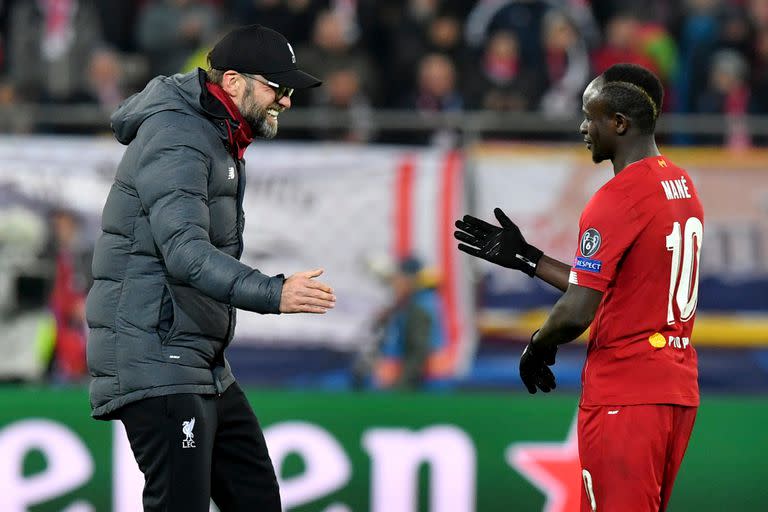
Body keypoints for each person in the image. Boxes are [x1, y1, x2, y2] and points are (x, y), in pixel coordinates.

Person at [86, 24, 335, 512]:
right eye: (277, 88)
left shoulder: (215, 133)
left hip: (200, 363)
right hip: (158, 358)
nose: (286, 101)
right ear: (234, 81)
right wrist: (273, 293)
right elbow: (184, 250)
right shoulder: (178, 135)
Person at [454, 63, 703, 511]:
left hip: (625, 391)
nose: (582, 126)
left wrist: (537, 343)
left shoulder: (617, 198)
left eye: (591, 115)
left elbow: (577, 311)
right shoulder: (680, 184)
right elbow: (615, 285)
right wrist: (529, 259)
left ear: (619, 124)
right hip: (674, 387)